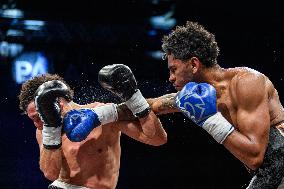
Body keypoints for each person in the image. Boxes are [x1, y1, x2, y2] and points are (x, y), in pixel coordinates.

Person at [145, 21, 284, 188]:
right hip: (269, 174)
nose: (170, 78)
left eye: (174, 69)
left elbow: (255, 157)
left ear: (194, 64)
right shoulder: (192, 98)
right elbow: (152, 105)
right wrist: (112, 108)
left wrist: (210, 119)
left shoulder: (247, 83)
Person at [18, 66, 167, 189]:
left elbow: (156, 139)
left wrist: (134, 98)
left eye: (39, 116)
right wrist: (51, 127)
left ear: (59, 104)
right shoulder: (44, 130)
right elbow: (50, 173)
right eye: (33, 119)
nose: (37, 124)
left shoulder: (102, 114)